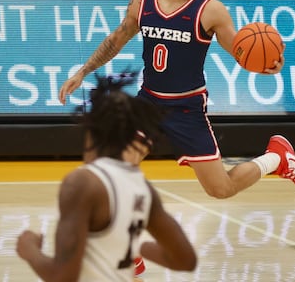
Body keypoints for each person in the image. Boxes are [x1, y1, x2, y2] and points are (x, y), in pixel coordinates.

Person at [59, 0, 295, 202]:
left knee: (221, 189)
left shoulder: (210, 10)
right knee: (116, 168)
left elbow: (241, 53)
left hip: (187, 108)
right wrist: (83, 71)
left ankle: (276, 158)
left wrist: (266, 64)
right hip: (148, 104)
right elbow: (115, 40)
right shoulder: (141, 2)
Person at [17, 73, 197, 280]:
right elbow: (185, 259)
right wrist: (138, 247)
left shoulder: (83, 183)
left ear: (91, 130)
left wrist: (29, 249)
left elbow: (63, 276)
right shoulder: (142, 187)